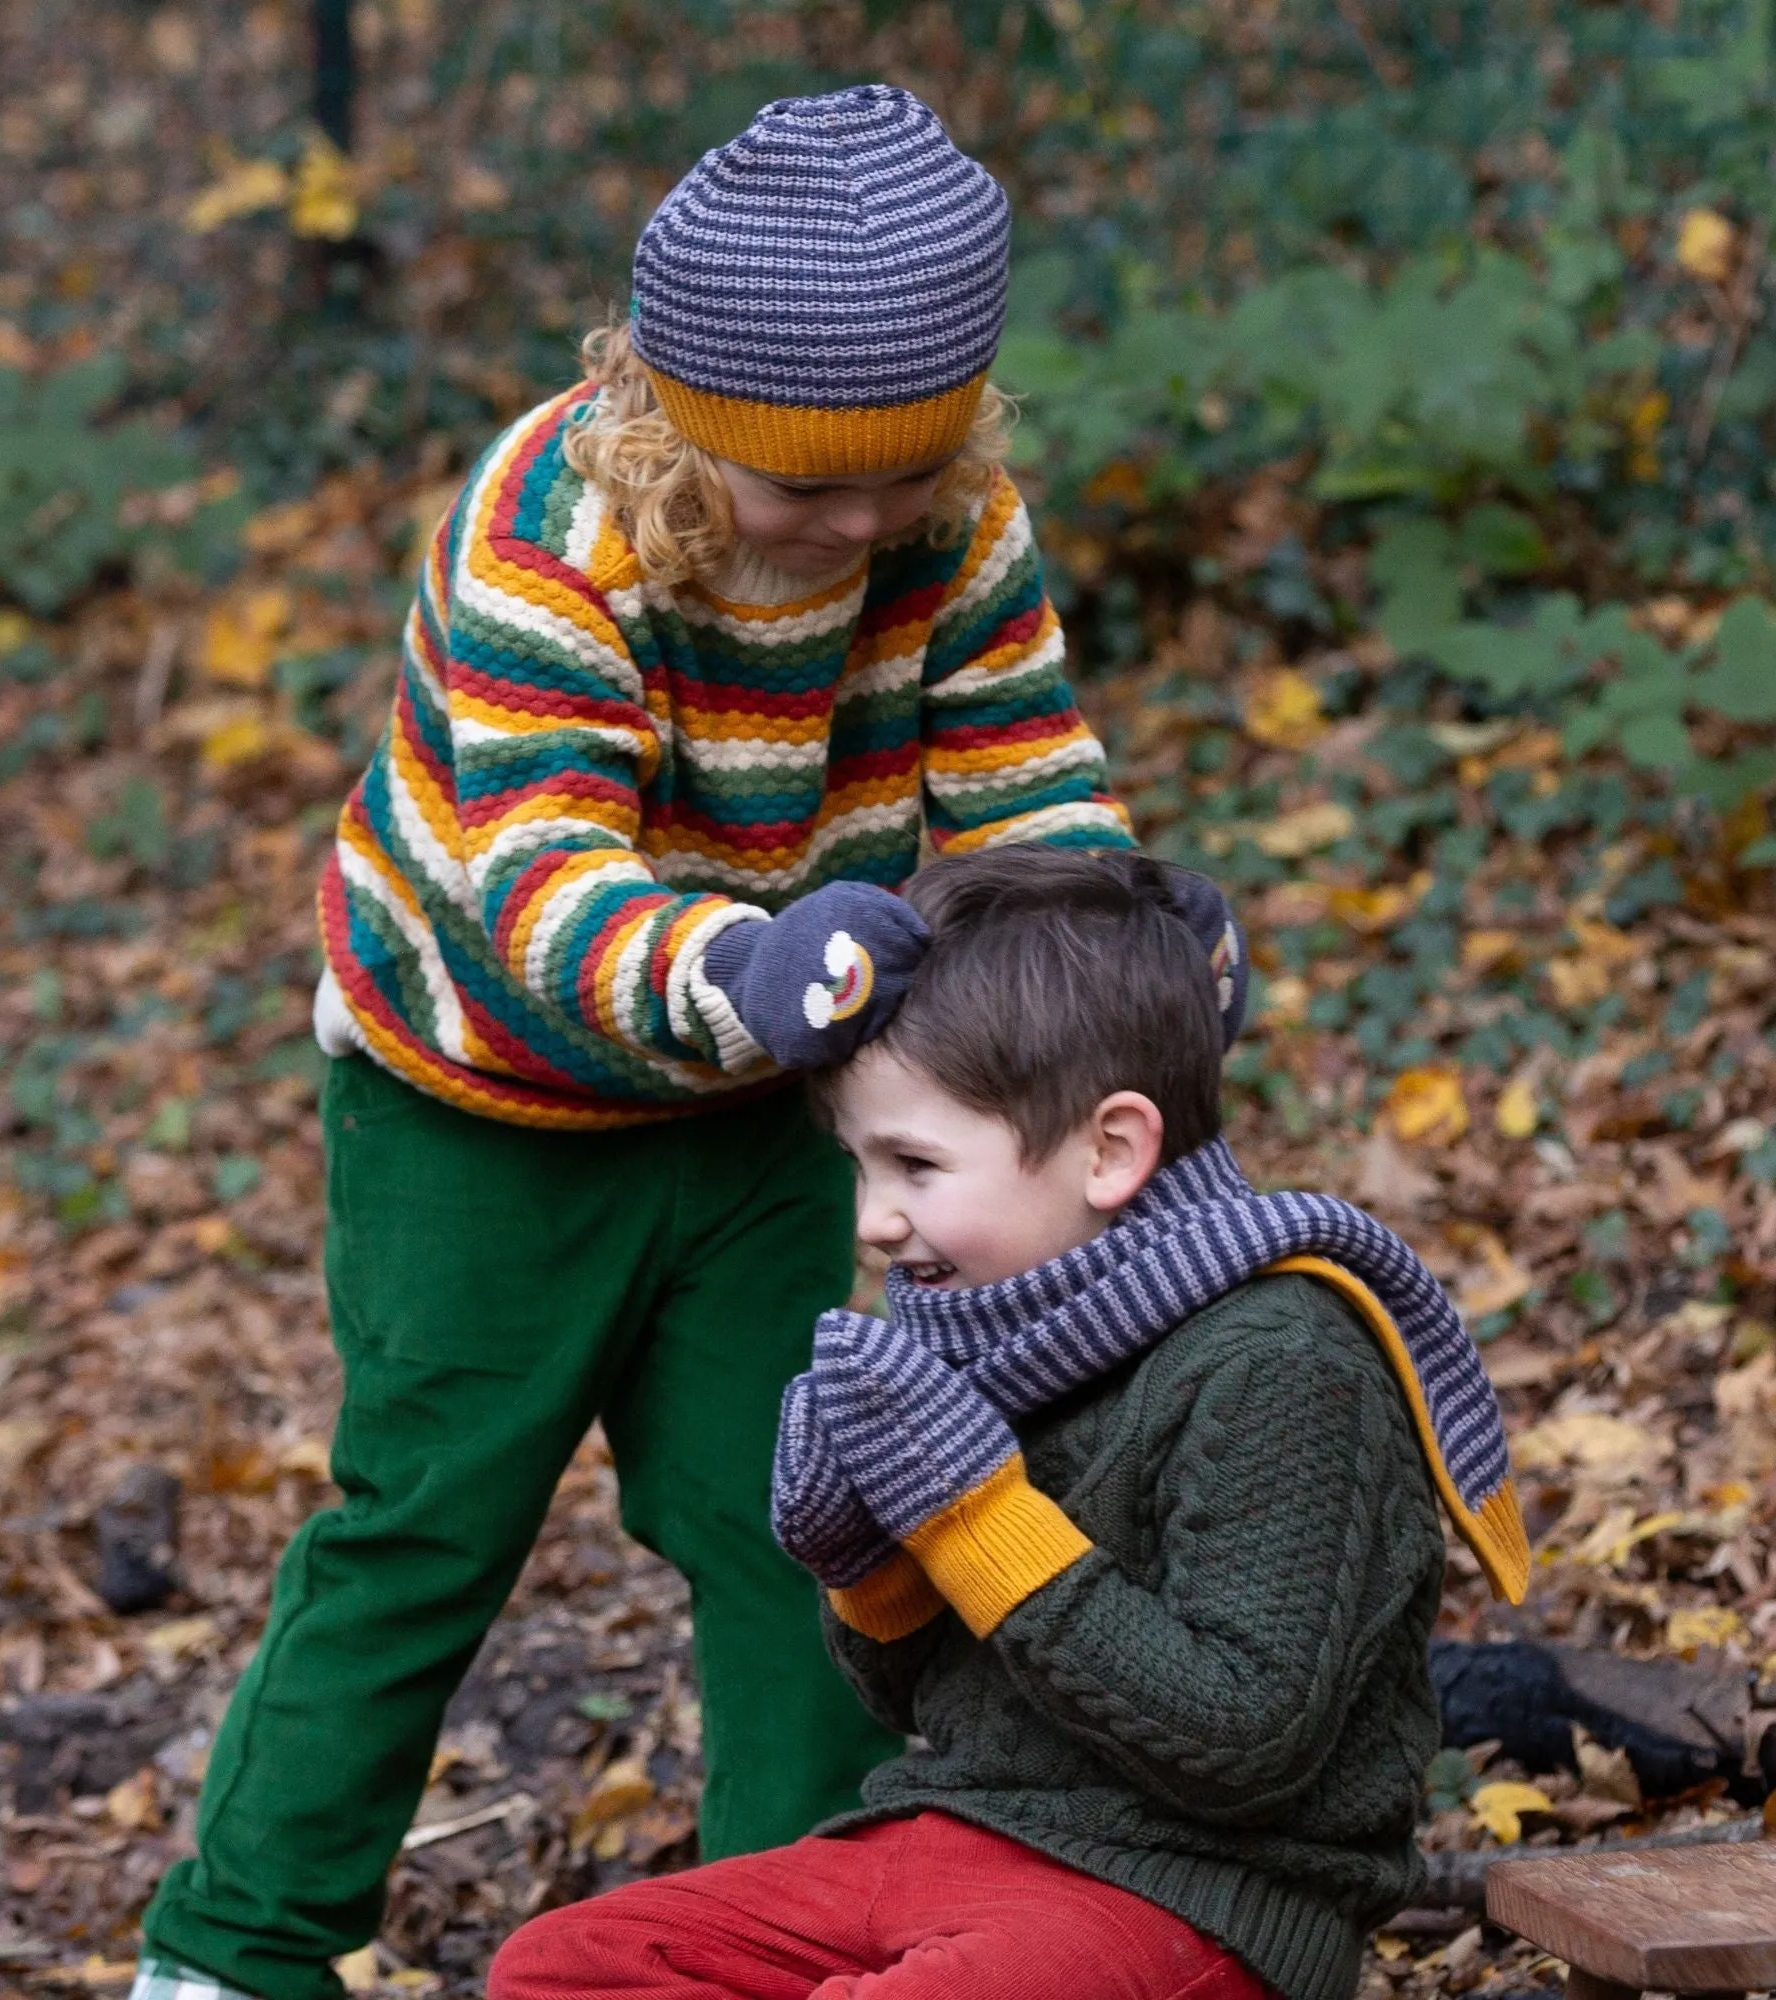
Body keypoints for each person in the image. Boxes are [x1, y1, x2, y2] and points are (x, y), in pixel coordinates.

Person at [132, 85, 1229, 2000]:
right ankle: (235, 1951)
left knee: (798, 1522)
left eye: (908, 476)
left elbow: (1019, 778)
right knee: (428, 1526)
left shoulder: (949, 520)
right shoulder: (548, 538)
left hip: (757, 1107)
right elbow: (536, 882)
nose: (864, 526)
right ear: (669, 411)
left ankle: (798, 1922)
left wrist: (1117, 931)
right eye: (809, 492)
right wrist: (738, 969)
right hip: (480, 1104)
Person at [486, 845, 1529, 2000]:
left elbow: (1243, 1742)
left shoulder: (1279, 1356)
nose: (875, 1219)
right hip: (959, 1837)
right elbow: (925, 1701)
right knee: (567, 1965)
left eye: (916, 1164)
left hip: (1197, 1893)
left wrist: (973, 1515)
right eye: (857, 1163)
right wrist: (865, 1565)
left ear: (1109, 1149)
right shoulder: (985, 1331)